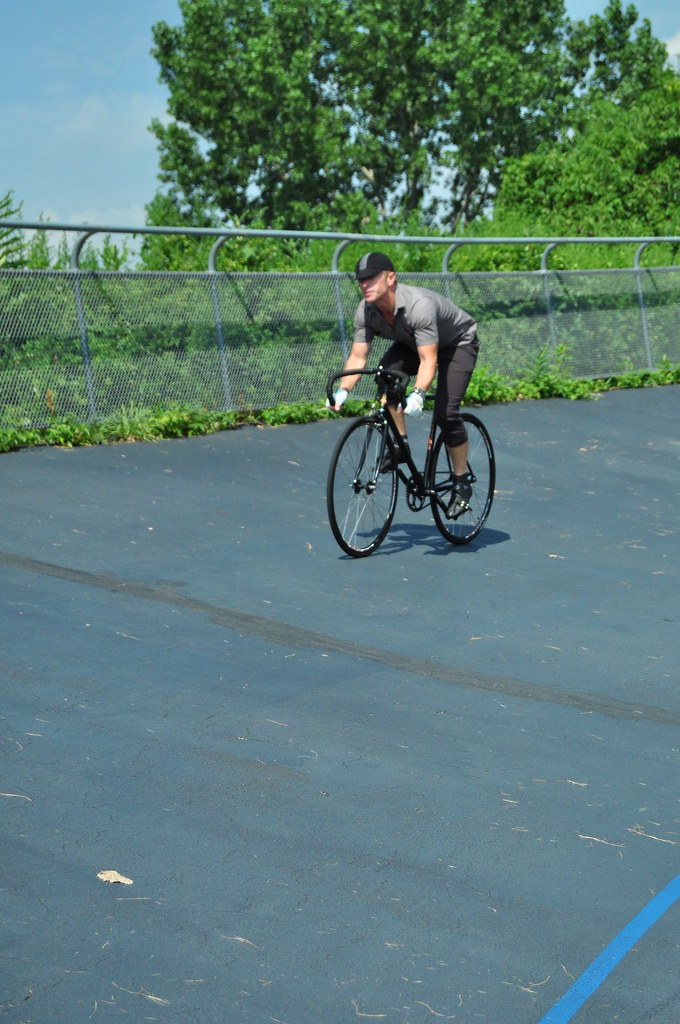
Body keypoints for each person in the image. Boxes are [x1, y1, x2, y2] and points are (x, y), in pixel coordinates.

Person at [328, 251, 480, 505]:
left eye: (371, 278)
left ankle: (462, 481)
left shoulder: (418, 306)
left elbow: (429, 360)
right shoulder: (365, 311)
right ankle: (401, 445)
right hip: (414, 344)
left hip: (457, 344)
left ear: (390, 278)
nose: (364, 285)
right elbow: (357, 357)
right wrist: (343, 391)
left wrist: (418, 394)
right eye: (360, 280)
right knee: (385, 376)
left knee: (446, 413)